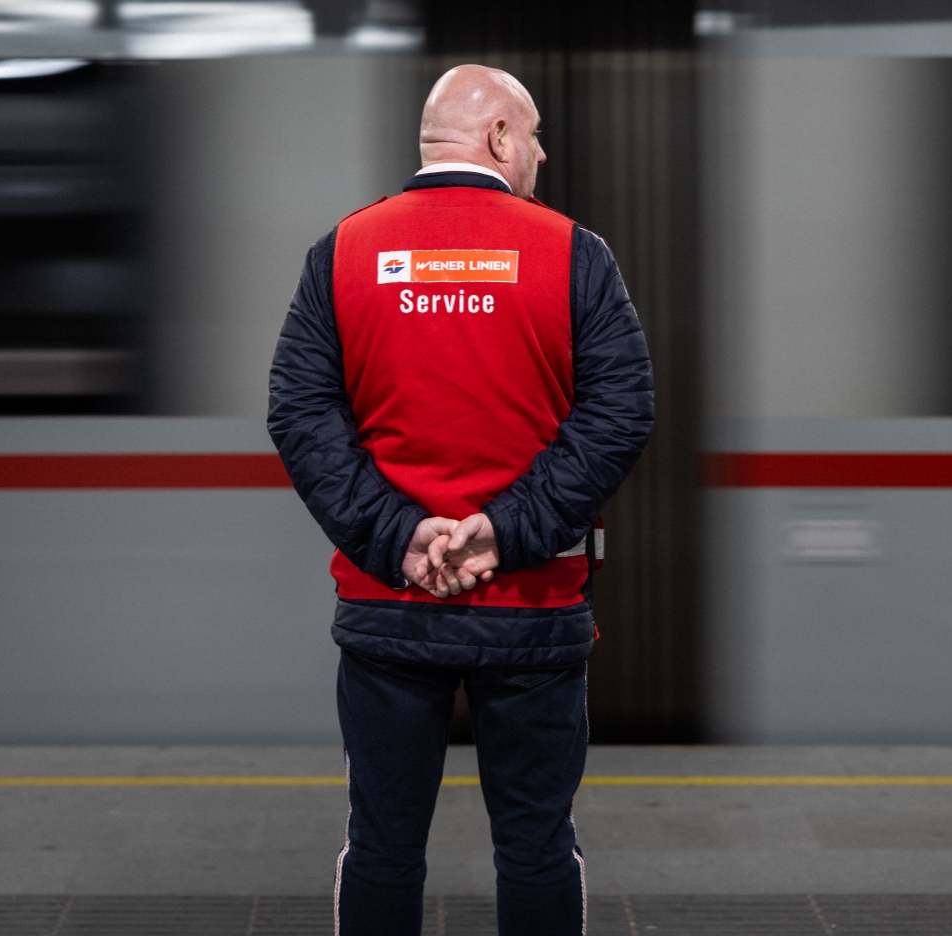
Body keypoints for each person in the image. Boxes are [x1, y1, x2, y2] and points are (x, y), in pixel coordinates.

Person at [267, 64, 654, 936]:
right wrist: (505, 530)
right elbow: (622, 411)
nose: (542, 152)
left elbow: (299, 411)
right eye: (535, 133)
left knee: (382, 845)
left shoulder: (344, 250)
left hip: (387, 608)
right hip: (533, 606)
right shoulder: (573, 253)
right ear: (497, 139)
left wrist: (399, 536)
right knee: (535, 846)